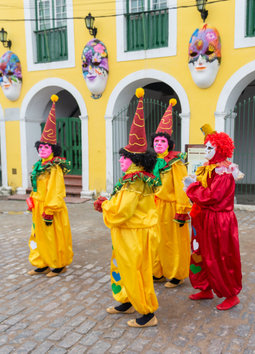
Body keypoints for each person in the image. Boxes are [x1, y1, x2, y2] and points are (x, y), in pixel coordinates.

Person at [94, 88, 159, 328]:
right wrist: (108, 203)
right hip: (128, 232)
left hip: (135, 232)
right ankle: (127, 299)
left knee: (136, 271)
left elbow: (123, 211)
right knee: (123, 267)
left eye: (124, 158)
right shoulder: (132, 178)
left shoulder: (136, 181)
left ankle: (147, 312)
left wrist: (105, 205)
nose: (120, 161)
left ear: (135, 160)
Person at [184, 124, 243, 310]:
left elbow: (211, 196)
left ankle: (231, 294)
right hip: (203, 217)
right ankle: (205, 287)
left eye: (211, 148)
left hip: (218, 220)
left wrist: (191, 188)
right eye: (206, 147)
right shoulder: (208, 167)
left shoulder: (224, 172)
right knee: (200, 253)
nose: (206, 151)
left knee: (220, 256)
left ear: (221, 150)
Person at [27, 95, 73, 278]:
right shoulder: (38, 166)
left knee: (53, 236)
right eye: (41, 148)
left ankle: (58, 264)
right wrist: (31, 198)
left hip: (50, 208)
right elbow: (36, 186)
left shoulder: (55, 168)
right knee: (37, 235)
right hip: (38, 206)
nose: (42, 150)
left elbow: (56, 190)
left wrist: (49, 209)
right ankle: (41, 262)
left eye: (46, 148)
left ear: (53, 150)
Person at [151, 98, 192, 288]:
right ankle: (158, 271)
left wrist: (182, 210)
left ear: (169, 143)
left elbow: (183, 186)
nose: (159, 143)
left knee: (172, 242)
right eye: (156, 141)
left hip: (171, 207)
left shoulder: (175, 163)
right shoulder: (151, 162)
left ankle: (176, 274)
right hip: (153, 207)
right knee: (156, 240)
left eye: (162, 141)